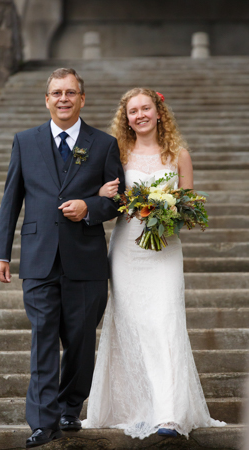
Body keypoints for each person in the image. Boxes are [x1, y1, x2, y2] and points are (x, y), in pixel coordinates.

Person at [0, 68, 125, 448]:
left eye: (71, 92)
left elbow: (118, 199)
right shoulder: (25, 141)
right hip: (38, 258)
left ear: (83, 99)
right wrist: (1, 253)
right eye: (56, 93)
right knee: (43, 337)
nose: (63, 98)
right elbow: (10, 200)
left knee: (81, 340)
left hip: (86, 259)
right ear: (46, 100)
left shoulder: (104, 144)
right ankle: (43, 421)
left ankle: (70, 404)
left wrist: (90, 206)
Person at [83, 88, 225, 438]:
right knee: (132, 325)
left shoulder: (179, 154)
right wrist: (101, 195)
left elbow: (191, 206)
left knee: (164, 322)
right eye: (133, 111)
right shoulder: (117, 153)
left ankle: (171, 414)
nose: (140, 115)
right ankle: (134, 405)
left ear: (159, 112)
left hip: (164, 249)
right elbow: (106, 194)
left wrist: (171, 211)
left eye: (146, 108)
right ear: (126, 118)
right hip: (128, 249)